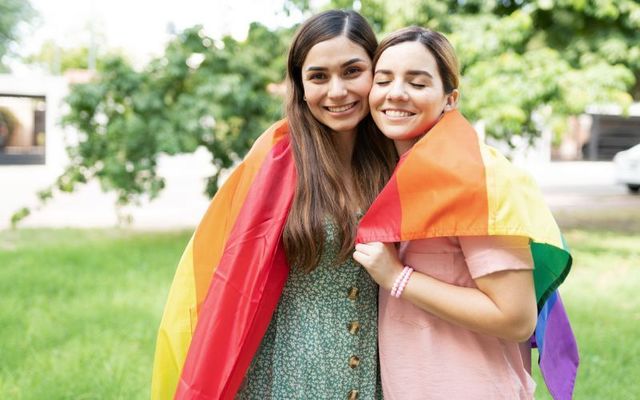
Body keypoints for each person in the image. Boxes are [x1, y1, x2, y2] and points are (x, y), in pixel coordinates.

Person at [151, 10, 396, 400]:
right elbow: (233, 274)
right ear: (299, 86)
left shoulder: (395, 161)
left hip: (378, 366)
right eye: (318, 76)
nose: (336, 91)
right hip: (289, 369)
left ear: (377, 72)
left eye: (352, 71)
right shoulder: (276, 163)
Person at [353, 27, 575, 399]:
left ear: (449, 99)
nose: (396, 93)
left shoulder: (473, 176)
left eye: (418, 83)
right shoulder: (399, 174)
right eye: (384, 79)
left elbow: (517, 318)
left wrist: (397, 277)